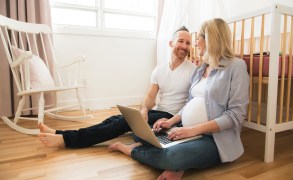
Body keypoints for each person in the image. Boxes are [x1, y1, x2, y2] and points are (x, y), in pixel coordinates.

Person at [108, 18, 250, 180]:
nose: (196, 43)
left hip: (212, 138)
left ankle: (133, 151)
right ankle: (176, 162)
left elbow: (236, 115)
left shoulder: (236, 66)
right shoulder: (200, 69)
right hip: (186, 131)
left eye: (199, 38)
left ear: (210, 38)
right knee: (142, 133)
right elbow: (190, 104)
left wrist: (193, 130)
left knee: (171, 157)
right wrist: (171, 122)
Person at [38, 26, 197, 148]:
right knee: (114, 118)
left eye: (188, 43)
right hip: (157, 110)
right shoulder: (159, 70)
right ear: (171, 43)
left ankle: (66, 140)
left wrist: (173, 120)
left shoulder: (193, 71)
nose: (184, 46)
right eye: (181, 41)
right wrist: (143, 110)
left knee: (122, 122)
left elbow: (192, 103)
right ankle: (60, 133)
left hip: (171, 117)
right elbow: (150, 96)